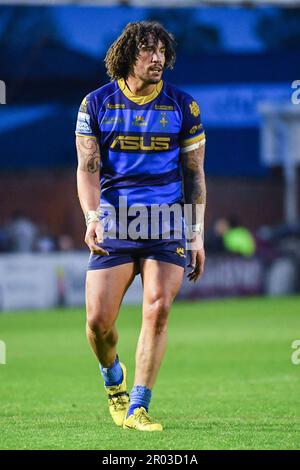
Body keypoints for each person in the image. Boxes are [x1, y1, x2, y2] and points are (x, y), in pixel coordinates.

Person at [75, 21, 206, 432]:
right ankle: (114, 380)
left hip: (167, 222)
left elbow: (195, 175)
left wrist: (196, 230)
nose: (158, 58)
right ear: (128, 55)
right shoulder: (96, 104)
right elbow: (87, 169)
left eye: (162, 51)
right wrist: (92, 218)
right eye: (148, 51)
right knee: (98, 323)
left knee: (158, 309)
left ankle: (138, 408)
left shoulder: (183, 106)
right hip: (116, 219)